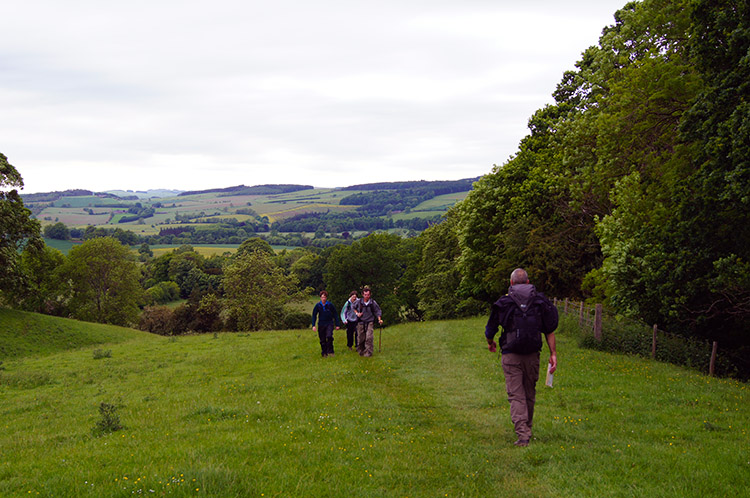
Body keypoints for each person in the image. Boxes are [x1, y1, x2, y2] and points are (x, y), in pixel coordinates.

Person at [485, 268, 558, 447]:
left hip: (511, 354)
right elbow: (550, 330)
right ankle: (527, 428)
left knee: (516, 394)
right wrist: (553, 353)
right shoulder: (540, 301)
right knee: (529, 392)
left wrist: (491, 342)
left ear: (511, 283)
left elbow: (490, 328)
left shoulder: (504, 302)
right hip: (533, 354)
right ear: (527, 282)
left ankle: (523, 434)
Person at [354, 286, 383, 357]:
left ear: (370, 295)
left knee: (369, 337)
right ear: (363, 294)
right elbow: (353, 307)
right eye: (365, 295)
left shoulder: (373, 303)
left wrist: (379, 319)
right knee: (361, 338)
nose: (367, 296)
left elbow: (377, 311)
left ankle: (368, 353)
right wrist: (357, 313)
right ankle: (361, 350)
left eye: (368, 295)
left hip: (370, 321)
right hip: (361, 322)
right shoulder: (358, 302)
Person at [312, 290, 341, 357]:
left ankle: (330, 351)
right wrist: (313, 325)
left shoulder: (330, 305)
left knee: (329, 336)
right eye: (322, 297)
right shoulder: (318, 305)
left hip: (329, 323)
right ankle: (324, 352)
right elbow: (314, 315)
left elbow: (335, 314)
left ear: (326, 298)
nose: (323, 299)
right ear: (320, 298)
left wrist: (337, 324)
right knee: (322, 339)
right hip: (321, 324)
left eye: (325, 297)